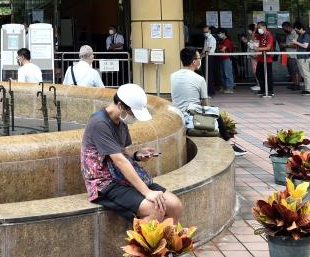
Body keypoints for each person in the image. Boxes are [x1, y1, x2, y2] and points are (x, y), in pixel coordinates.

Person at [79, 83, 183, 222]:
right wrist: (147, 192)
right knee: (155, 209)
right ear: (120, 105)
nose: (133, 117)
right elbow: (119, 160)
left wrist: (136, 155)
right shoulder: (100, 123)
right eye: (132, 112)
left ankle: (163, 236)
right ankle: (142, 236)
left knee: (175, 206)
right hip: (105, 182)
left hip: (121, 177)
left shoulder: (121, 123)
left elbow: (121, 152)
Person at [171, 48, 248, 156]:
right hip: (192, 117)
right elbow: (205, 104)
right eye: (199, 58)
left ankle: (229, 142)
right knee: (216, 113)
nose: (200, 60)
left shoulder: (173, 76)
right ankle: (229, 143)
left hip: (178, 115)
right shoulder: (199, 79)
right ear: (194, 62)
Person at [291, 23, 310, 95]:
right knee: (303, 74)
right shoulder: (301, 35)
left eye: (297, 30)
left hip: (304, 57)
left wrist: (296, 42)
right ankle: (307, 88)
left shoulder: (306, 35)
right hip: (300, 56)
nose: (296, 32)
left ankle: (309, 89)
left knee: (306, 73)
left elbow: (305, 46)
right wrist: (296, 43)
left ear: (301, 28)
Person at [254, 21, 275, 96]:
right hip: (260, 59)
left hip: (267, 59)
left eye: (259, 27)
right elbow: (253, 37)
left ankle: (270, 91)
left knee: (268, 75)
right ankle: (263, 89)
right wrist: (255, 29)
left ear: (264, 27)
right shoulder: (261, 35)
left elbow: (268, 47)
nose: (259, 29)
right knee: (259, 74)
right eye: (258, 27)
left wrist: (258, 49)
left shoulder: (269, 35)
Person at [281, 22, 300, 90]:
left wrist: (286, 45)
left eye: (284, 29)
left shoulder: (295, 34)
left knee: (295, 71)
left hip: (293, 55)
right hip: (288, 55)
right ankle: (294, 83)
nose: (284, 30)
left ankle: (297, 85)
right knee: (291, 71)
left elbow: (296, 45)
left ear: (288, 27)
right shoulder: (288, 34)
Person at [215, 29, 234, 93]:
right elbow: (218, 49)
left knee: (227, 73)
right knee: (222, 74)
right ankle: (224, 87)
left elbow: (222, 49)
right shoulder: (221, 41)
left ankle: (230, 88)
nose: (218, 35)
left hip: (227, 58)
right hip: (221, 58)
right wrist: (219, 50)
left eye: (219, 33)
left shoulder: (227, 41)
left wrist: (219, 50)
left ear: (224, 33)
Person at [242, 23, 260, 92]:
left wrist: (247, 42)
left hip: (256, 56)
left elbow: (255, 46)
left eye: (249, 29)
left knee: (257, 70)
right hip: (254, 56)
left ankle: (260, 85)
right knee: (256, 70)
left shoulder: (256, 36)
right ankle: (258, 84)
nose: (248, 31)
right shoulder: (253, 36)